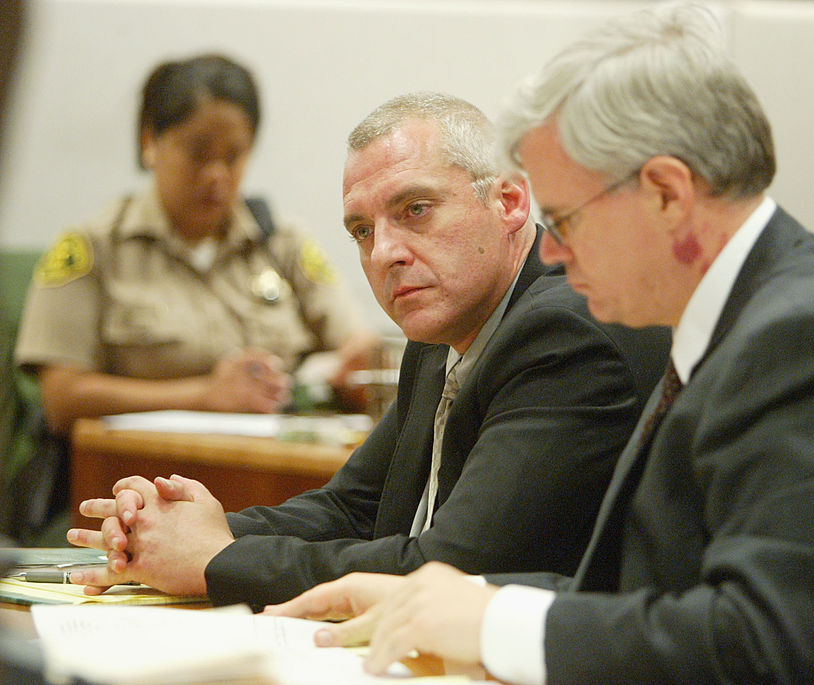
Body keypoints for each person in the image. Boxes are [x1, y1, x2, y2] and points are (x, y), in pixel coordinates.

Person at [263, 4, 814, 683]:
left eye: (564, 220)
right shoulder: (760, 315)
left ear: (665, 192)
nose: (550, 255)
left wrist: (494, 621)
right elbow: (662, 595)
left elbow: (765, 642)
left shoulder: (812, 340)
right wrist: (442, 597)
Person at [66, 92, 671, 610]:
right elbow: (353, 508)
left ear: (509, 202)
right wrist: (180, 531)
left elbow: (445, 569)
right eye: (362, 231)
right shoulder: (441, 332)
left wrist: (217, 561)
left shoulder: (567, 333)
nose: (384, 253)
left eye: (416, 210)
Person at [15, 53, 375, 436]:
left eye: (233, 156)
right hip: (135, 475)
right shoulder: (95, 248)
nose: (216, 175)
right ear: (150, 141)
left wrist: (354, 369)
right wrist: (203, 394)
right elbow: (62, 398)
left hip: (272, 470)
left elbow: (357, 346)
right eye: (198, 153)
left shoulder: (281, 242)